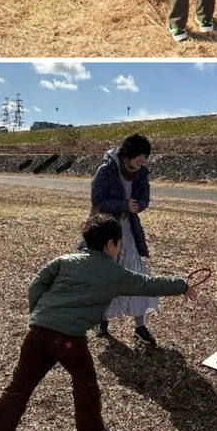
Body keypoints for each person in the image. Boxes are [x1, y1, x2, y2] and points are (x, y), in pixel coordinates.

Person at [0, 215, 196, 431]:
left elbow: (36, 285)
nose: (119, 248)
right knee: (86, 385)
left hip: (38, 331)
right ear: (111, 245)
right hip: (70, 339)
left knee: (18, 388)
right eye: (118, 244)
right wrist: (182, 285)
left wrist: (39, 315)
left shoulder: (65, 260)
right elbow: (148, 284)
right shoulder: (116, 274)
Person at [87, 133, 160, 346]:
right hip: (105, 233)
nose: (143, 161)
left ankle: (140, 325)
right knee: (105, 278)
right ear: (128, 154)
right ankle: (101, 318)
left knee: (137, 277)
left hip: (129, 233)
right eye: (140, 156)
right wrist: (124, 205)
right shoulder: (106, 170)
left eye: (145, 157)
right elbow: (98, 201)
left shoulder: (142, 173)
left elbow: (145, 198)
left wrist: (139, 205)